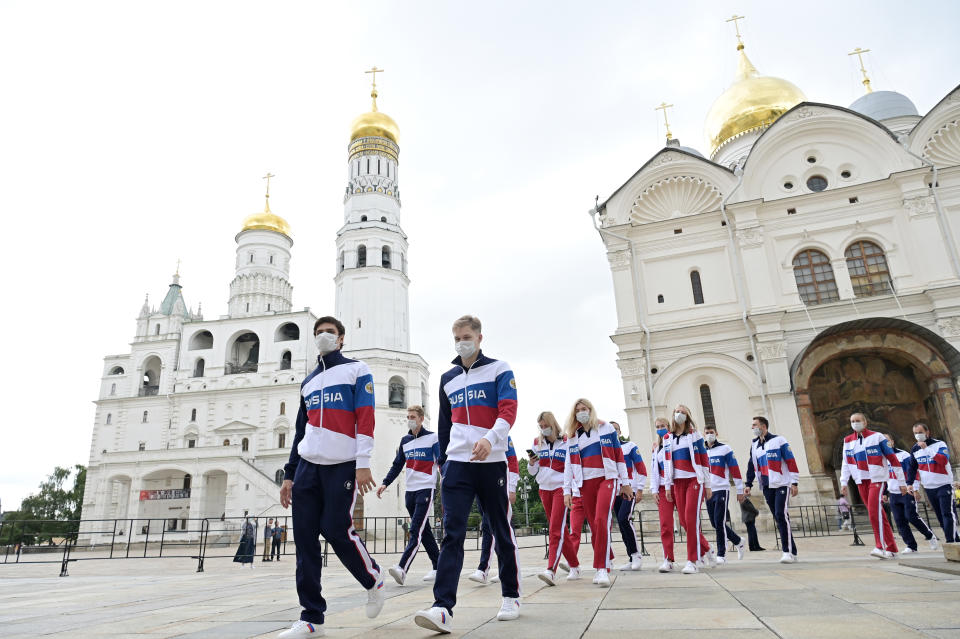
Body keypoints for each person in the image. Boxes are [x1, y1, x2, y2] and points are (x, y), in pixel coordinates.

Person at [277, 316, 385, 639]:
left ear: (341, 339)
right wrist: (289, 474)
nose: (324, 336)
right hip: (308, 466)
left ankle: (373, 579)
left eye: (330, 332)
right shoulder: (307, 383)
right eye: (319, 332)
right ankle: (312, 617)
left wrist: (363, 462)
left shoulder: (357, 370)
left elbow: (365, 417)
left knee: (337, 529)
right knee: (305, 539)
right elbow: (300, 431)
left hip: (342, 464)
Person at [414, 316, 521, 634]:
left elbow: (508, 410)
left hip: (491, 460)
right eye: (457, 337)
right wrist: (445, 462)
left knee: (500, 530)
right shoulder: (447, 378)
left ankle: (511, 595)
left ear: (479, 337)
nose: (462, 341)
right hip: (458, 464)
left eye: (467, 336)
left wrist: (491, 439)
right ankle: (442, 607)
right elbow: (445, 425)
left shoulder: (500, 369)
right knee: (452, 533)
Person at [563, 398, 632, 588]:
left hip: (606, 479)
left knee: (602, 520)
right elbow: (569, 464)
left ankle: (601, 568)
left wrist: (625, 483)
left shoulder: (606, 428)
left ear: (591, 410)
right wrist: (566, 490)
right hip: (585, 483)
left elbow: (618, 455)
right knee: (594, 526)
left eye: (584, 409)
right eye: (578, 410)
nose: (581, 412)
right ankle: (606, 560)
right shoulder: (573, 436)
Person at [378, 405, 441, 585]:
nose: (409, 419)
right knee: (424, 530)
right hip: (410, 491)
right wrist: (385, 483)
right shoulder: (405, 441)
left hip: (426, 488)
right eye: (408, 417)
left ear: (421, 419)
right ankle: (438, 566)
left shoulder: (432, 438)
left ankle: (402, 568)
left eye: (413, 416)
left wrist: (447, 479)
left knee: (415, 529)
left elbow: (441, 461)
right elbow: (397, 465)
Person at [839, 413, 905, 559]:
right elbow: (846, 462)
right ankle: (892, 548)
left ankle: (880, 546)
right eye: (852, 421)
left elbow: (892, 459)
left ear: (865, 422)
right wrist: (844, 482)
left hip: (877, 479)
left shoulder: (878, 437)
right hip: (860, 481)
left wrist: (902, 483)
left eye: (858, 421)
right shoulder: (848, 440)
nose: (855, 423)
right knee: (878, 514)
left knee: (874, 512)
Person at [528, 411, 577, 586]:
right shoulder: (537, 443)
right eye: (540, 427)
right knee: (560, 529)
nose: (543, 429)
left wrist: (568, 490)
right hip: (543, 489)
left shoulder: (566, 441)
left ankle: (551, 570)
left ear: (552, 424)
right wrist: (532, 463)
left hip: (559, 488)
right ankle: (575, 565)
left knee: (555, 529)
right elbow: (533, 472)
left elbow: (571, 468)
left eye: (545, 426)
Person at [662, 405, 713, 574]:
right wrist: (668, 485)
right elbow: (668, 463)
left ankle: (693, 560)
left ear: (688, 416)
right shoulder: (667, 438)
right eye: (677, 411)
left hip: (694, 480)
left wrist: (708, 485)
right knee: (683, 521)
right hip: (677, 483)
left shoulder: (694, 435)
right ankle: (706, 547)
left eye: (683, 412)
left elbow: (704, 460)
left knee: (691, 520)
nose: (679, 414)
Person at [745, 416, 799, 564]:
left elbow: (790, 460)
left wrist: (794, 482)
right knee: (778, 516)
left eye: (754, 425)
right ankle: (792, 550)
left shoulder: (779, 440)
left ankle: (787, 551)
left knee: (781, 514)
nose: (752, 428)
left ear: (763, 426)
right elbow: (752, 465)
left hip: (781, 483)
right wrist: (748, 483)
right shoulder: (754, 445)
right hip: (767, 485)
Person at [469, 435, 519, 584]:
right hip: (481, 484)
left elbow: (513, 462)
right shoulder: (474, 434)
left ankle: (483, 568)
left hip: (499, 484)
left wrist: (512, 488)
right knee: (496, 528)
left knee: (490, 526)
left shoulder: (503, 436)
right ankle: (506, 569)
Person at [884, 434, 938, 554]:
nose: (885, 443)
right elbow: (883, 476)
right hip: (893, 493)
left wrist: (915, 488)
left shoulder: (904, 455)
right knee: (899, 521)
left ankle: (930, 535)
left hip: (907, 491)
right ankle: (911, 546)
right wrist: (884, 492)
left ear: (892, 442)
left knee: (911, 516)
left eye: (887, 441)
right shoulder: (882, 458)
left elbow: (913, 471)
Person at [703, 424, 745, 564]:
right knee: (715, 523)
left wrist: (740, 490)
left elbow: (735, 469)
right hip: (708, 490)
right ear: (704, 434)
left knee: (720, 522)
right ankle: (738, 541)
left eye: (711, 432)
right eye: (707, 432)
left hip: (722, 488)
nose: (709, 434)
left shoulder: (725, 449)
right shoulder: (701, 451)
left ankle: (721, 554)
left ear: (716, 433)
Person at [912, 422, 960, 543]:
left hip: (943, 485)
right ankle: (955, 539)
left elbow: (943, 461)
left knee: (947, 513)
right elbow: (912, 468)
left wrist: (927, 449)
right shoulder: (914, 449)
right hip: (929, 487)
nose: (918, 435)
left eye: (920, 432)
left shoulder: (940, 444)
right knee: (940, 516)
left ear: (927, 432)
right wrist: (912, 486)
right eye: (915, 433)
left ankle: (951, 541)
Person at [611, 421, 646, 572]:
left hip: (629, 488)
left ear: (619, 432)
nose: (612, 432)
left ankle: (637, 554)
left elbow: (641, 468)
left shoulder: (630, 446)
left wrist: (639, 489)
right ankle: (631, 557)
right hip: (613, 491)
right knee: (621, 522)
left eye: (615, 430)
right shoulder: (603, 450)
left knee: (624, 518)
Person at [649, 418, 678, 572]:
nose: (660, 429)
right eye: (658, 427)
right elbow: (654, 470)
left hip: (677, 485)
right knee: (665, 525)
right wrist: (654, 490)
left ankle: (704, 549)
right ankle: (668, 559)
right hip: (662, 489)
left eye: (663, 426)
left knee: (688, 522)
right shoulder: (656, 448)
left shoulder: (675, 441)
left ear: (669, 427)